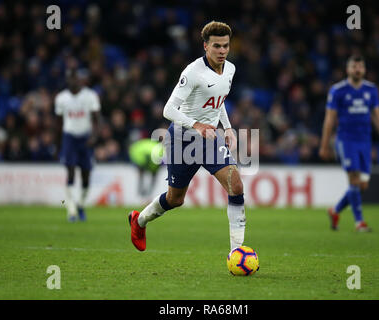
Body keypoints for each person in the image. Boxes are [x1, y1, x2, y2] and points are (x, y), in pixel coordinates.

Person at [128, 21, 245, 252]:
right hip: (183, 139)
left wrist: (228, 127)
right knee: (175, 199)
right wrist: (196, 125)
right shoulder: (193, 73)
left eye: (226, 46)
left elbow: (217, 101)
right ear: (205, 46)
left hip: (210, 138)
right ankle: (139, 220)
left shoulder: (230, 69)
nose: (222, 51)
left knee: (236, 186)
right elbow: (168, 110)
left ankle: (236, 251)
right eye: (217, 46)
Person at [319, 55, 379, 232]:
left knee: (362, 185)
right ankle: (360, 223)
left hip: (365, 142)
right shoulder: (338, 90)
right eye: (354, 67)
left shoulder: (371, 90)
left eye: (360, 66)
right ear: (348, 69)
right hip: (346, 140)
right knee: (354, 179)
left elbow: (377, 115)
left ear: (364, 69)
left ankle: (335, 211)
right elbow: (330, 119)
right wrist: (324, 144)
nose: (357, 70)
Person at [55, 68, 101, 222]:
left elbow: (97, 119)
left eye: (75, 78)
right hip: (69, 137)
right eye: (70, 78)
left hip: (85, 137)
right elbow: (58, 122)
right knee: (70, 172)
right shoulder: (61, 98)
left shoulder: (90, 96)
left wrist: (94, 136)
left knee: (86, 174)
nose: (72, 81)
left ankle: (80, 204)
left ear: (79, 80)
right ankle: (71, 210)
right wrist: (58, 144)